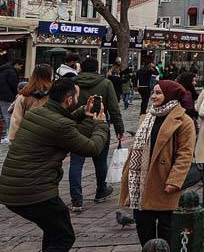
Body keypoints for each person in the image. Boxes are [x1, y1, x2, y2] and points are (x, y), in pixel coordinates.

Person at [0, 73, 109, 252]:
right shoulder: (60, 125)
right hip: (33, 191)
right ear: (68, 100)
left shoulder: (38, 112)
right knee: (63, 236)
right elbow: (92, 148)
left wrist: (82, 112)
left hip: (13, 187)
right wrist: (101, 124)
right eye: (76, 97)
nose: (78, 100)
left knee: (54, 230)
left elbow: (57, 123)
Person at [117, 78, 194, 248]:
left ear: (170, 95)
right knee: (143, 226)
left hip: (165, 180)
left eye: (158, 93)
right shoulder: (149, 116)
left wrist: (174, 181)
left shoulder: (184, 121)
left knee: (167, 228)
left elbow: (185, 154)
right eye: (154, 92)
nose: (153, 96)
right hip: (141, 183)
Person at [69, 55, 126, 212]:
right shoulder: (105, 83)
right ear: (96, 68)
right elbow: (114, 108)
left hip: (77, 126)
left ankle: (76, 199)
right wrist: (119, 130)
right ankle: (101, 191)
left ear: (81, 68)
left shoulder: (73, 83)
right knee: (100, 161)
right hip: (99, 125)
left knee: (76, 163)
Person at [7, 63, 53, 141]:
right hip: (47, 138)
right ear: (49, 76)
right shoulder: (54, 94)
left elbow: (16, 119)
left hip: (26, 137)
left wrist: (14, 138)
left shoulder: (24, 95)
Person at [0, 54, 19, 142]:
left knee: (3, 115)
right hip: (7, 96)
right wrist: (15, 95)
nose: (20, 68)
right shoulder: (11, 71)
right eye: (20, 66)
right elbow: (14, 85)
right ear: (17, 64)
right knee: (8, 115)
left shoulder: (3, 70)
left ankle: (4, 134)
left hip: (2, 95)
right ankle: (7, 135)